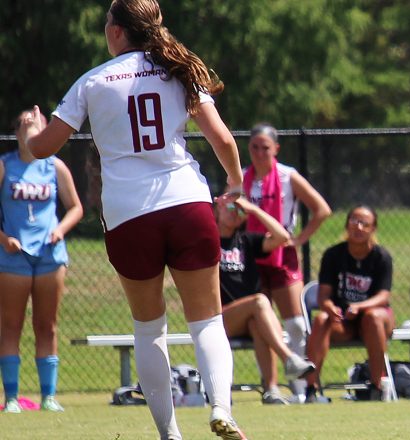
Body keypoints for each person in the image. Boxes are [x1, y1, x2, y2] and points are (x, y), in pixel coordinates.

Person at [23, 1, 246, 438]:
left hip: (129, 216)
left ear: (119, 31)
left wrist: (29, 132)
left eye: (107, 22)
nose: (105, 29)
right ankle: (221, 407)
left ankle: (169, 434)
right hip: (187, 205)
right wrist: (235, 183)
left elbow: (45, 147)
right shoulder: (178, 69)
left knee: (149, 327)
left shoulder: (93, 80)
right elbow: (221, 138)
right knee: (207, 321)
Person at [0, 110, 83, 413]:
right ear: (17, 131)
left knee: (46, 326)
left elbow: (75, 207)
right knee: (10, 326)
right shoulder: (5, 166)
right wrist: (4, 239)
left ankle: (48, 396)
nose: (28, 124)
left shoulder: (54, 166)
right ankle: (11, 398)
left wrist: (60, 230)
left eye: (34, 122)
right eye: (23, 122)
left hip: (50, 257)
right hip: (13, 257)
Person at [243, 123, 331, 399]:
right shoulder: (243, 177)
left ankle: (302, 386)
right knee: (263, 323)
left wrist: (299, 239)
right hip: (252, 253)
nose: (259, 153)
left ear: (275, 149)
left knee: (294, 323)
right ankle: (271, 387)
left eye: (265, 148)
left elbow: (321, 210)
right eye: (254, 147)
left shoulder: (287, 176)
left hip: (282, 252)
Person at [216, 196, 315, 404]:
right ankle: (289, 358)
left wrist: (253, 209)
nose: (235, 212)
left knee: (257, 323)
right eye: (231, 207)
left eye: (239, 209)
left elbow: (281, 236)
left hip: (250, 315)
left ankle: (271, 390)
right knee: (261, 301)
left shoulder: (246, 240)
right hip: (219, 318)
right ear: (218, 206)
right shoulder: (208, 240)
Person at [304, 205, 394, 403]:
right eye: (354, 221)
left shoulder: (382, 257)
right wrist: (330, 307)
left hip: (374, 319)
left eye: (365, 223)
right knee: (321, 319)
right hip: (343, 321)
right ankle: (311, 389)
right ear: (347, 225)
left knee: (373, 317)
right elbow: (324, 296)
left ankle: (376, 387)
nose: (358, 227)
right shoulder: (333, 255)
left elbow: (383, 296)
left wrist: (361, 307)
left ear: (373, 229)